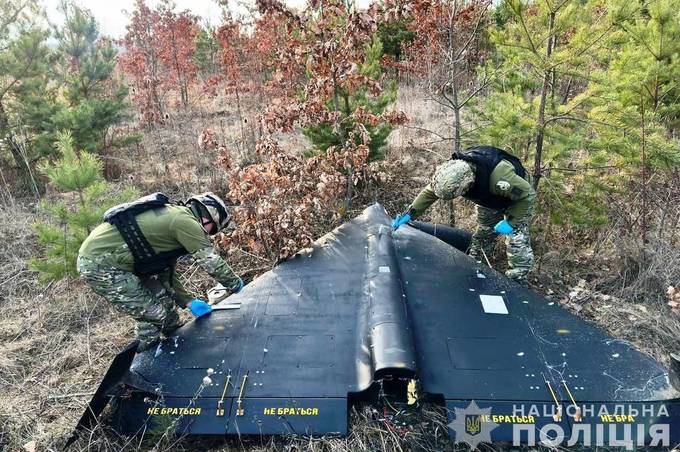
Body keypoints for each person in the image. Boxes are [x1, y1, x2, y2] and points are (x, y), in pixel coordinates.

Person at [77, 192, 243, 351]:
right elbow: (210, 261)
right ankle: (142, 360)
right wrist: (236, 285)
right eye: (213, 229)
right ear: (208, 217)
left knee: (167, 310)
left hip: (125, 261)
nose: (210, 233)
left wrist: (188, 301)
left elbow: (166, 272)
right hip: (100, 263)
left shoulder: (175, 219)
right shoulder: (184, 221)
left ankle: (177, 345)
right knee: (154, 314)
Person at [392, 145, 536, 282]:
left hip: (519, 200)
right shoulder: (451, 173)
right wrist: (410, 213)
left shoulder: (501, 178)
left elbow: (527, 195)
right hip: (489, 198)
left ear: (466, 186)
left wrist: (511, 221)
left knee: (517, 240)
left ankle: (517, 280)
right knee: (484, 233)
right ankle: (476, 267)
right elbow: (431, 192)